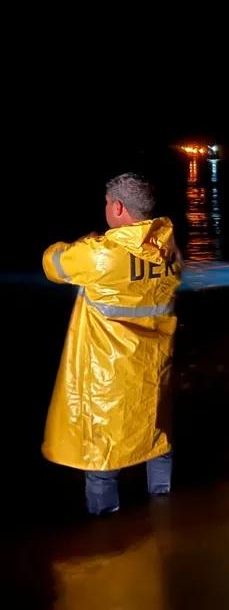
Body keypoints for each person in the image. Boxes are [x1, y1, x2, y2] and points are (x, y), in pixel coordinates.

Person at [41, 173, 182, 515]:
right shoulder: (169, 249)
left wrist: (85, 242)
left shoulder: (98, 255)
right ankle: (163, 507)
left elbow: (52, 263)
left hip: (109, 376)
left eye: (107, 203)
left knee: (102, 457)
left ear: (118, 207)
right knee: (158, 435)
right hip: (154, 364)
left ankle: (106, 531)